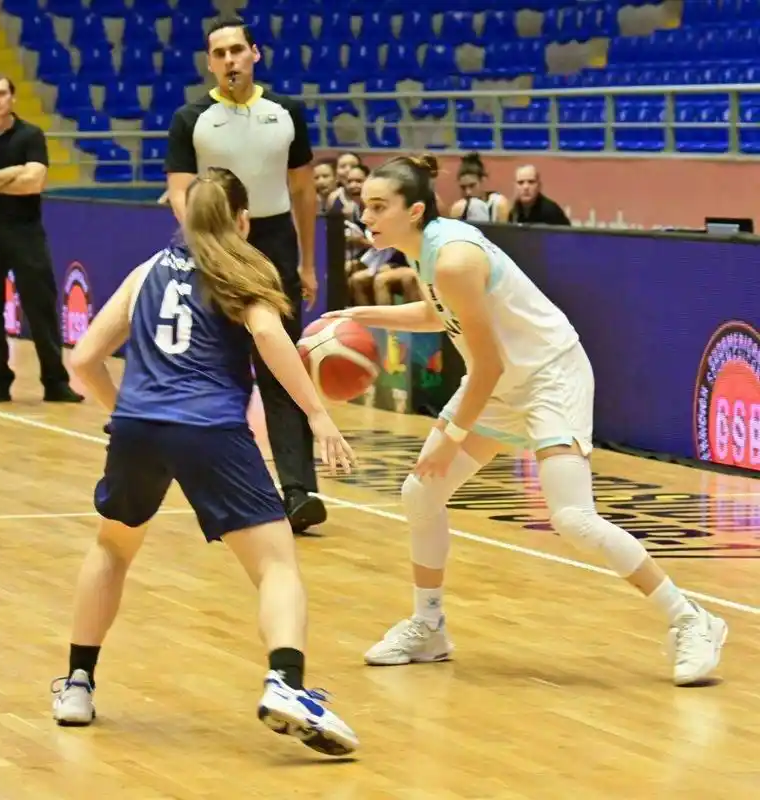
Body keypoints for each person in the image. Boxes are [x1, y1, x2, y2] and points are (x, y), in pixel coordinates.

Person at [325, 154, 728, 688]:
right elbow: (441, 317)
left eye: (379, 206)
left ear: (414, 209)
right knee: (421, 493)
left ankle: (692, 619)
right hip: (502, 381)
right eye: (364, 205)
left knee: (573, 517)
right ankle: (429, 625)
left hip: (548, 376)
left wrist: (450, 439)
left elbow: (487, 363)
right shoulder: (426, 251)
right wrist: (360, 314)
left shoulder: (453, 258)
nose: (366, 214)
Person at [51, 167, 359, 757]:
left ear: (183, 217)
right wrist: (318, 415)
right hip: (211, 427)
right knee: (276, 566)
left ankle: (77, 684)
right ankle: (286, 685)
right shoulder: (244, 270)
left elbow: (85, 357)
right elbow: (270, 338)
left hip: (140, 427)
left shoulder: (145, 273)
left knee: (112, 548)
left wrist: (126, 413)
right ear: (242, 221)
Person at [165, 15, 325, 534]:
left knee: (282, 362)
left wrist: (304, 261)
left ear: (255, 53)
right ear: (209, 62)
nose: (230, 60)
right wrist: (206, 246)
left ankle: (300, 491)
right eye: (220, 53)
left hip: (275, 240)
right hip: (217, 241)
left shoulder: (288, 113)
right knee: (218, 368)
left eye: (238, 50)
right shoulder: (191, 118)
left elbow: (303, 191)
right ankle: (221, 485)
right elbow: (179, 192)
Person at [0, 74, 82, 403]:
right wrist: (13, 172)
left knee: (40, 305)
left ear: (12, 98)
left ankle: (55, 381)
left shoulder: (31, 135)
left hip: (25, 232)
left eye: (3, 93)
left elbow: (34, 183)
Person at [448, 152, 509, 224]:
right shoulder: (457, 209)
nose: (468, 192)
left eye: (472, 186)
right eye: (463, 187)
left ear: (483, 180)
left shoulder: (499, 204)